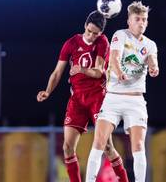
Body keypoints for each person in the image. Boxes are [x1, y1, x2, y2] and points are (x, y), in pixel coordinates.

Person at [37, 10, 128, 182]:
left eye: (96, 33)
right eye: (89, 31)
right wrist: (47, 91)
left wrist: (82, 70)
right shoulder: (71, 43)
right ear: (85, 26)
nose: (92, 36)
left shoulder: (102, 42)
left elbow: (98, 71)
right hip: (77, 100)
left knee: (107, 146)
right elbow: (57, 73)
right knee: (67, 147)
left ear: (101, 33)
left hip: (98, 98)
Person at [86, 1, 159, 182]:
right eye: (137, 19)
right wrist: (119, 73)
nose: (141, 23)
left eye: (144, 20)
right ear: (129, 21)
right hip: (113, 99)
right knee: (99, 142)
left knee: (138, 145)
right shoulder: (120, 35)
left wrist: (154, 68)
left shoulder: (150, 44)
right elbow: (114, 58)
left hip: (136, 101)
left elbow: (152, 60)